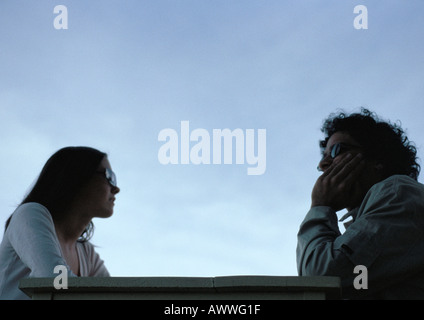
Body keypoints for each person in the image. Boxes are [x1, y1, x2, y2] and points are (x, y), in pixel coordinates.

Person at [297, 108, 424, 299]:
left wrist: (320, 207)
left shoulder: (398, 192)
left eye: (337, 150)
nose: (324, 164)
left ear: (377, 159)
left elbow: (322, 279)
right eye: (323, 157)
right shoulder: (376, 212)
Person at [0, 146, 120, 300]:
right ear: (78, 177)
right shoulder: (30, 214)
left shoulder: (87, 253)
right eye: (109, 176)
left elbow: (115, 295)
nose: (116, 188)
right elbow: (57, 282)